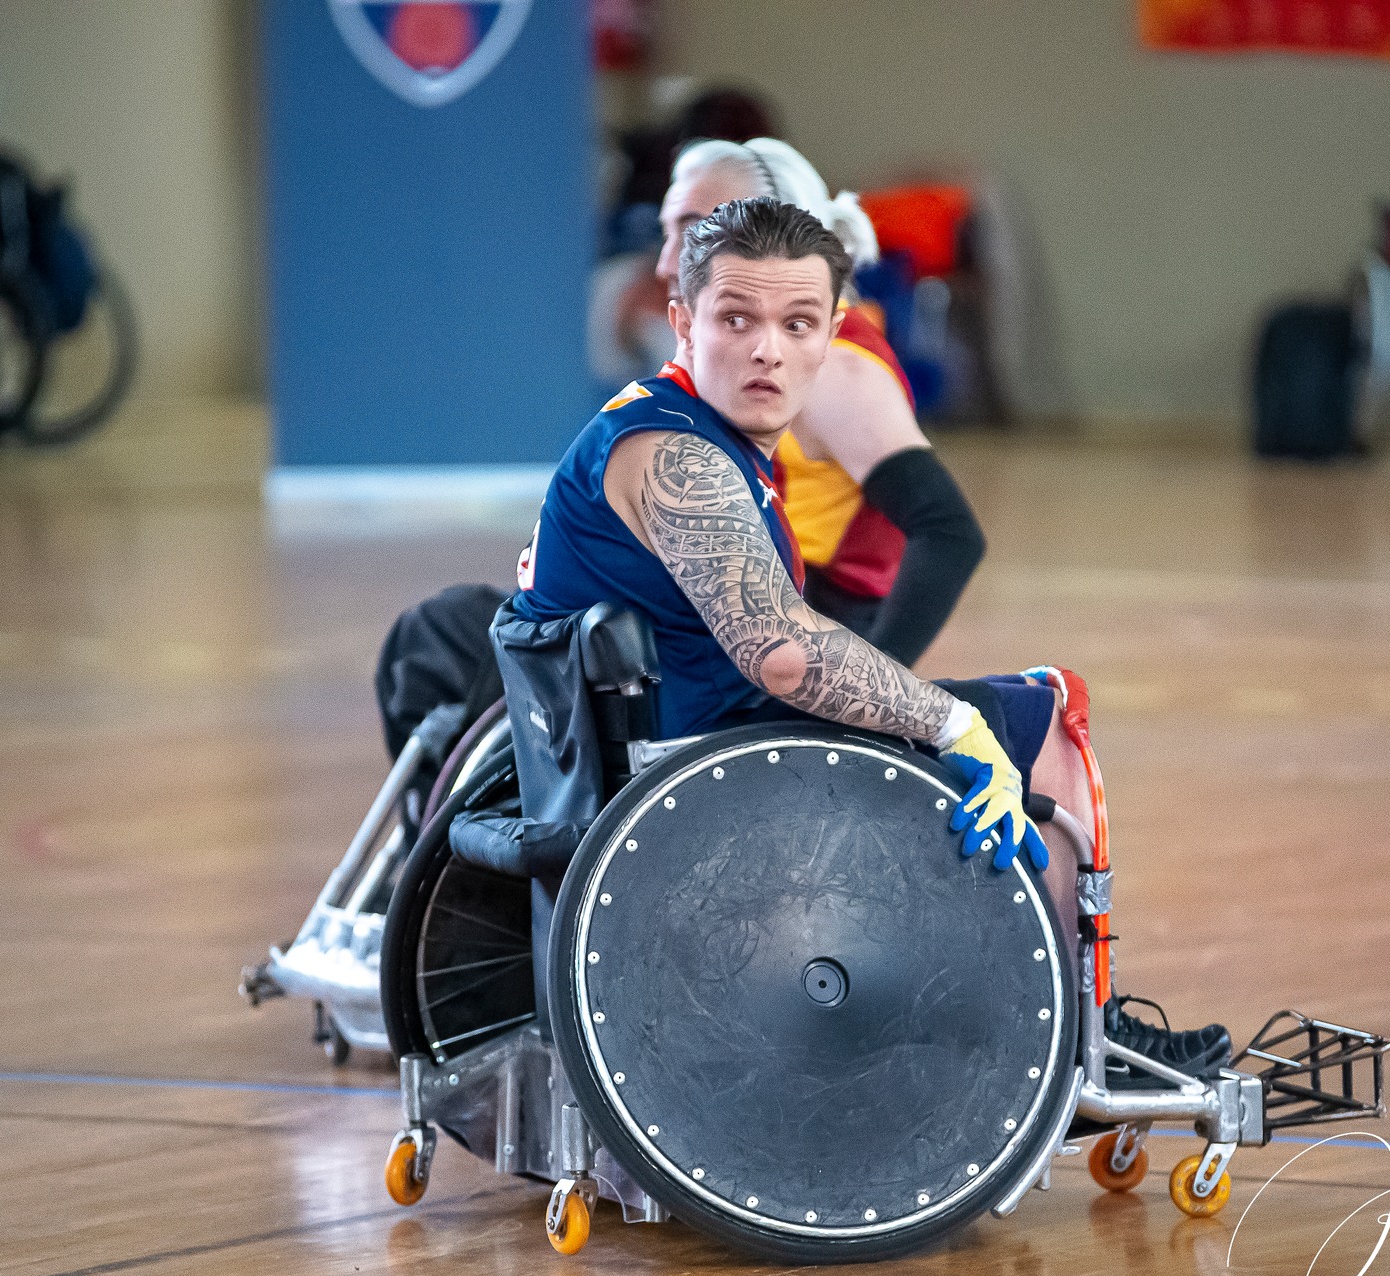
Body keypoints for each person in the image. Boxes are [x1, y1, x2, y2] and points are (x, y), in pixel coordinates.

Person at [514, 197, 1227, 1073]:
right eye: (735, 318)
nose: (767, 347)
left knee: (983, 713)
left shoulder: (675, 433)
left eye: (796, 322)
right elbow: (781, 654)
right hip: (704, 788)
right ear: (681, 324)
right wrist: (944, 722)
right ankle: (1076, 1050)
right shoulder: (680, 456)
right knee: (1038, 719)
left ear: (832, 336)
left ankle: (1048, 1031)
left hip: (678, 761)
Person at [652, 138, 984, 668]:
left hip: (802, 627)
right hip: (752, 611)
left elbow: (949, 532)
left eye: (693, 230)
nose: (667, 260)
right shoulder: (752, 346)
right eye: (668, 231)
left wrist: (879, 682)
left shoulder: (832, 367)